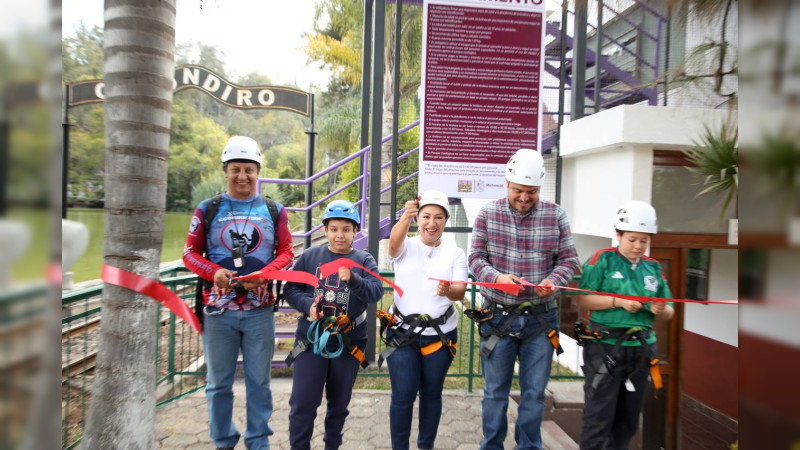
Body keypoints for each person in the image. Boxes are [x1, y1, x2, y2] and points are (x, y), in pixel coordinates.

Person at [183, 136, 293, 450]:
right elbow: (189, 254)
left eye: (249, 169)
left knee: (259, 382)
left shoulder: (274, 210)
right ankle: (223, 440)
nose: (242, 176)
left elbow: (286, 252)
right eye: (235, 169)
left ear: (258, 171)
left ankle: (258, 440)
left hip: (259, 312)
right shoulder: (208, 208)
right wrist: (212, 273)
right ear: (225, 171)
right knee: (218, 385)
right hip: (218, 313)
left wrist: (266, 274)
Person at [468, 148, 579, 450]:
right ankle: (492, 446)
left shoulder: (556, 215)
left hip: (540, 320)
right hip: (498, 318)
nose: (524, 198)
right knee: (495, 392)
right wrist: (497, 279)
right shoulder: (488, 213)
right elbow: (476, 258)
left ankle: (529, 447)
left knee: (534, 393)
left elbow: (569, 261)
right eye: (518, 190)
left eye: (531, 192)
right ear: (507, 183)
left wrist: (553, 282)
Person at [283, 199, 384, 450]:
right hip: (311, 341)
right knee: (303, 403)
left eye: (346, 229)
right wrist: (308, 306)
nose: (340, 235)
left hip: (348, 342)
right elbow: (291, 288)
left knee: (338, 405)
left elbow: (375, 292)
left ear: (355, 231)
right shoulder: (310, 256)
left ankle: (332, 446)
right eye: (334, 229)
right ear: (325, 230)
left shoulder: (364, 259)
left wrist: (353, 279)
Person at [575, 201, 674, 450]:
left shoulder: (653, 268)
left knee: (629, 420)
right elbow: (582, 298)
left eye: (644, 240)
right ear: (618, 234)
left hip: (641, 350)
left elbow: (670, 310)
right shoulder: (601, 260)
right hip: (606, 348)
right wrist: (618, 301)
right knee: (599, 417)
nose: (638, 246)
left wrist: (660, 309)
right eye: (632, 239)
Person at [384, 190, 468, 450]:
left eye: (439, 217)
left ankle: (426, 445)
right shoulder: (407, 245)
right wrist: (405, 217)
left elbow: (460, 290)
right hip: (401, 333)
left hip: (440, 335)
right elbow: (392, 247)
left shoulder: (455, 253)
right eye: (426, 216)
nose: (432, 223)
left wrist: (448, 291)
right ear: (418, 218)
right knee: (403, 395)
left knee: (432, 394)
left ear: (445, 221)